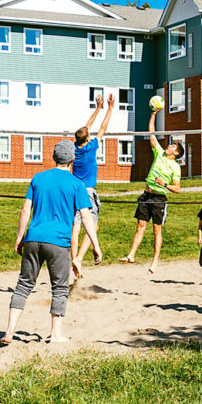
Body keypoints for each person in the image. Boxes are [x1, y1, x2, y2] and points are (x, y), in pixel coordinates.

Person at [0, 140, 101, 346]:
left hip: (34, 238)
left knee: (23, 285)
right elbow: (86, 216)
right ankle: (55, 335)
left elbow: (25, 210)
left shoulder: (38, 178)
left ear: (54, 157)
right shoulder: (76, 184)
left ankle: (9, 332)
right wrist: (96, 245)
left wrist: (19, 238)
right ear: (72, 160)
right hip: (58, 242)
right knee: (59, 288)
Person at [120, 110, 182, 273]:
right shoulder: (159, 153)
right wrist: (153, 114)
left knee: (156, 229)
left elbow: (177, 189)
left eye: (172, 146)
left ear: (175, 153)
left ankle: (155, 261)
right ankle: (131, 255)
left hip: (160, 198)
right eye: (170, 144)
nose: (169, 145)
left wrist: (164, 184)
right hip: (146, 195)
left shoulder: (175, 167)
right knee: (140, 225)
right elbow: (151, 133)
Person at [70, 92, 115, 272]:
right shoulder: (91, 147)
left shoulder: (76, 147)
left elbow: (86, 127)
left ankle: (73, 258)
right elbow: (102, 127)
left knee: (76, 226)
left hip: (74, 190)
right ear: (87, 138)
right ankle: (79, 258)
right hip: (87, 192)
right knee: (93, 225)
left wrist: (97, 108)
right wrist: (109, 109)